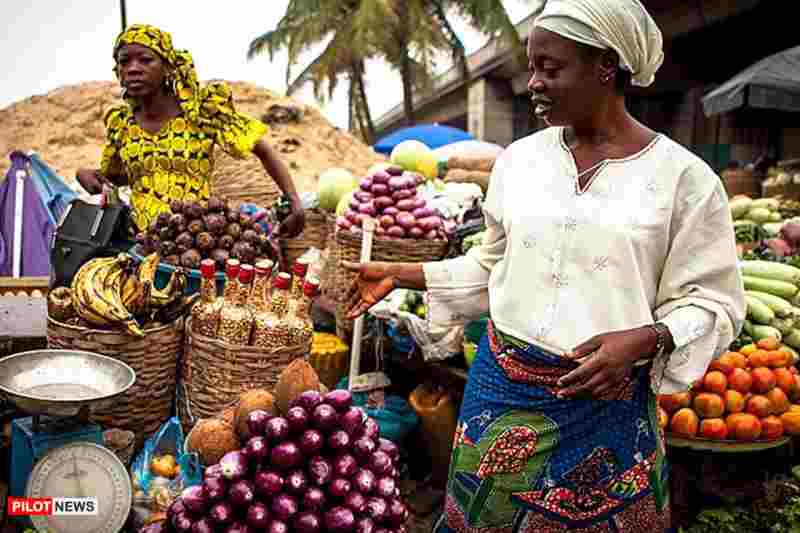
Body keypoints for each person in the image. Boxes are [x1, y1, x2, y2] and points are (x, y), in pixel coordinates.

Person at [343, 0, 745, 531]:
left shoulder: (684, 181)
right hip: (501, 393)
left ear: (605, 65)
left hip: (605, 406)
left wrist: (646, 339)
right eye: (532, 67)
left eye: (550, 68)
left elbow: (713, 301)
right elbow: (494, 264)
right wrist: (401, 275)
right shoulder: (520, 162)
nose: (533, 82)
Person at [76, 24, 305, 237]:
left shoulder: (201, 113)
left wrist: (292, 198)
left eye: (146, 60)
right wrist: (86, 174)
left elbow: (263, 149)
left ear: (167, 67)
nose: (133, 68)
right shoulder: (121, 124)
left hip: (194, 241)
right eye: (124, 61)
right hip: (141, 241)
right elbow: (120, 177)